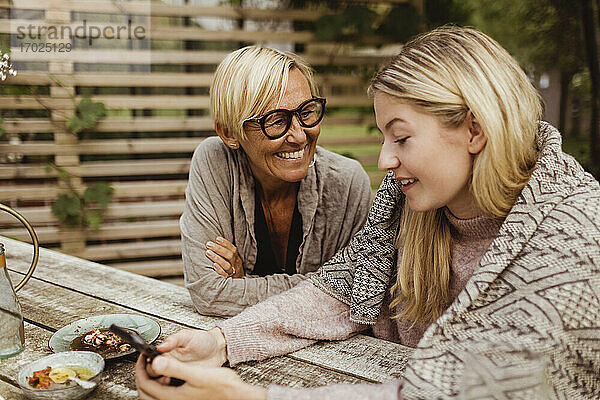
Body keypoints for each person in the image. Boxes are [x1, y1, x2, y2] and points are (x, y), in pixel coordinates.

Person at [137, 27, 600, 399]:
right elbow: (343, 288)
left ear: (474, 130)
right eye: (383, 138)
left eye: (400, 138)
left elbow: (462, 390)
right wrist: (222, 342)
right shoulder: (408, 206)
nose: (383, 160)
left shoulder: (572, 241)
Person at [181, 46, 372, 316]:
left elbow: (355, 293)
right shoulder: (216, 162)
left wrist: (244, 281)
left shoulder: (348, 183)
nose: (300, 136)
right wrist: (320, 287)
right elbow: (208, 293)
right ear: (229, 133)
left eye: (306, 112)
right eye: (276, 120)